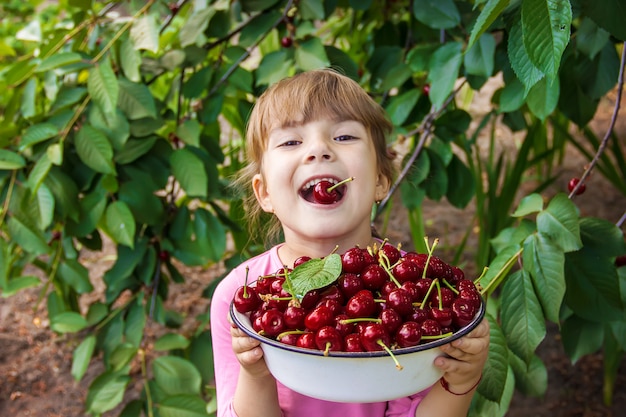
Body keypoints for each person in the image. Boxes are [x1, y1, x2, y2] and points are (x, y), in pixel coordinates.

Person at [210, 68, 490, 417]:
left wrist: (463, 378)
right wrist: (255, 371)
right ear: (264, 192)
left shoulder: (414, 288)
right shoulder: (241, 298)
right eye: (291, 142)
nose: (319, 150)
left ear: (380, 181)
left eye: (343, 136)